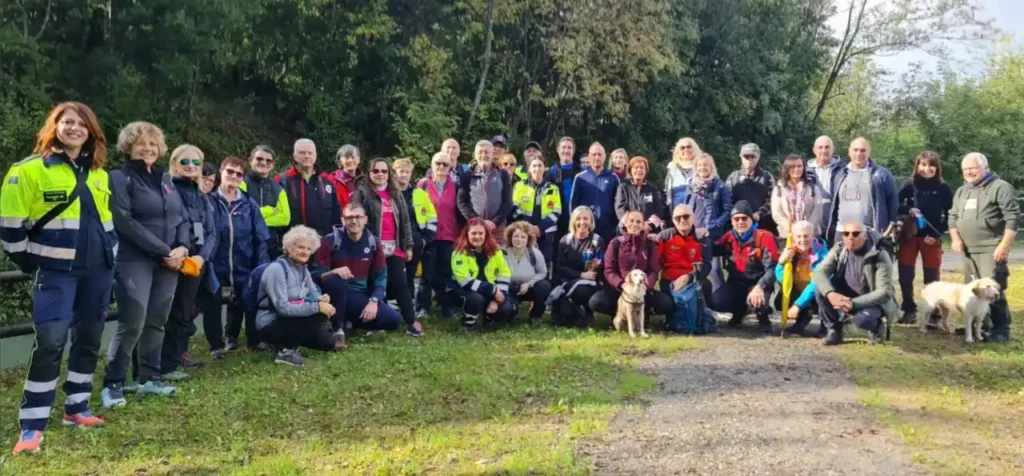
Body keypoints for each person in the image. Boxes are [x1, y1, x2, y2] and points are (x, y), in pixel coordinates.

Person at [2, 102, 118, 454]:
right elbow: (9, 230)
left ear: (91, 132)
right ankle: (33, 425)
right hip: (54, 274)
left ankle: (77, 407)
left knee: (88, 338)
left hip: (96, 272)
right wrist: (33, 263)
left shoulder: (98, 173)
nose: (74, 129)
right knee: (51, 341)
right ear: (54, 127)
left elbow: (106, 223)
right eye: (67, 122)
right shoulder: (28, 171)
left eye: (82, 124)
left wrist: (110, 254)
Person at [101, 122, 191, 408]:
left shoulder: (165, 179)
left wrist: (183, 248)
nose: (148, 149)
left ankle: (148, 378)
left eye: (153, 144)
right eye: (141, 143)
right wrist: (165, 250)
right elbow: (123, 222)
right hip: (135, 259)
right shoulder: (118, 178)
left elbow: (182, 218)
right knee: (133, 322)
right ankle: (113, 384)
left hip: (170, 261)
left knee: (157, 320)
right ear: (128, 147)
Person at [160, 144, 218, 381]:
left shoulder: (202, 197)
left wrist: (201, 256)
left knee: (185, 312)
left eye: (196, 163)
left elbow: (212, 232)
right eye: (186, 162)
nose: (192, 167)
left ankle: (174, 361)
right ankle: (158, 365)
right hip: (170, 260)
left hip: (195, 263)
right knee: (164, 313)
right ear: (174, 163)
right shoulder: (165, 190)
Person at [948, 152, 1019, 343]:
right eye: (965, 169)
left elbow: (1012, 218)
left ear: (985, 168)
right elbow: (952, 217)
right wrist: (955, 238)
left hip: (991, 248)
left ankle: (1000, 329)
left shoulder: (1000, 187)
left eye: (973, 168)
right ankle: (980, 325)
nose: (969, 172)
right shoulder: (963, 191)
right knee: (974, 291)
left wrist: (1004, 245)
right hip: (968, 251)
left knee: (993, 289)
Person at [205, 157, 271, 356]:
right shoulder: (208, 200)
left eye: (239, 174)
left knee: (245, 301)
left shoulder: (249, 204)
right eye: (230, 172)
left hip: (244, 264)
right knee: (213, 304)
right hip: (215, 264)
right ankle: (216, 346)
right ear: (221, 172)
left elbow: (261, 237)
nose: (234, 176)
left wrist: (262, 266)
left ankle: (249, 339)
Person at [350, 158, 421, 336]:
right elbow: (354, 219)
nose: (380, 174)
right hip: (372, 247)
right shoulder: (362, 193)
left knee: (399, 283)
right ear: (369, 173)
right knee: (374, 283)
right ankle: (377, 323)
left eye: (384, 171)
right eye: (376, 171)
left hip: (395, 247)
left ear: (389, 174)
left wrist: (409, 246)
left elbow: (405, 221)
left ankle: (412, 322)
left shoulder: (396, 193)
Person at [257, 225, 344, 367]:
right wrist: (317, 307)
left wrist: (321, 299)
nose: (305, 252)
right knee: (319, 313)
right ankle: (286, 353)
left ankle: (285, 343)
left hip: (292, 319)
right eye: (301, 247)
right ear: (289, 247)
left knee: (328, 343)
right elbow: (282, 308)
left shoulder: (302, 268)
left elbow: (313, 292)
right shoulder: (276, 269)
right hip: (270, 322)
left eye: (309, 249)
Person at [314, 203, 403, 336]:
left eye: (358, 217)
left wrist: (374, 301)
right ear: (342, 220)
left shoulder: (374, 242)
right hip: (334, 294)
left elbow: (380, 277)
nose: (354, 221)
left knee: (394, 320)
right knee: (337, 281)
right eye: (349, 218)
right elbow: (315, 275)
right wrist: (334, 271)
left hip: (361, 293)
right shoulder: (328, 241)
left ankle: (350, 322)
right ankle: (338, 326)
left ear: (365, 219)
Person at [813, 221, 896, 345]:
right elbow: (820, 272)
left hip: (871, 301)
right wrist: (830, 294)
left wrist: (853, 303)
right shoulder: (839, 249)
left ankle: (877, 328)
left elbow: (884, 292)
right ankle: (834, 330)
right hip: (845, 296)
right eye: (846, 233)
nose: (850, 237)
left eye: (856, 234)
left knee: (862, 320)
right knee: (820, 291)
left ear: (865, 236)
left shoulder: (880, 255)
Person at [896, 151, 953, 325]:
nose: (926, 169)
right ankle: (908, 309)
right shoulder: (909, 184)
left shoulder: (943, 188)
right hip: (910, 236)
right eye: (923, 165)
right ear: (917, 166)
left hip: (931, 237)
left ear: (937, 168)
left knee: (932, 276)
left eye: (931, 165)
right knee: (905, 275)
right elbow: (896, 205)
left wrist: (937, 233)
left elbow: (951, 214)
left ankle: (933, 312)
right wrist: (908, 210)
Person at [589, 211, 673, 327]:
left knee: (666, 303)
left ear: (643, 225)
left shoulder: (649, 245)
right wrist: (622, 284)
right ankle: (620, 314)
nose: (635, 224)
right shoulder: (615, 243)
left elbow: (654, 271)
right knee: (595, 301)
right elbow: (608, 270)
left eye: (638, 221)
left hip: (641, 291)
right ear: (625, 224)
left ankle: (642, 314)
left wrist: (646, 286)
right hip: (619, 291)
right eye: (631, 221)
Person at [709, 201, 778, 333]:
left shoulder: (765, 237)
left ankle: (763, 318)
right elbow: (713, 249)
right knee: (716, 301)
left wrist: (760, 286)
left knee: (758, 299)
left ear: (751, 219)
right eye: (736, 219)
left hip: (758, 282)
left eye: (744, 218)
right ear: (732, 221)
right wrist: (702, 237)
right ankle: (739, 313)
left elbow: (772, 269)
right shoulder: (729, 237)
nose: (740, 222)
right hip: (736, 282)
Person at [413, 152, 460, 318]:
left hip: (448, 235)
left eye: (445, 164)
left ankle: (445, 305)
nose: (441, 167)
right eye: (437, 163)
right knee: (427, 273)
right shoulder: (422, 185)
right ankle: (423, 306)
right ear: (432, 165)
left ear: (450, 167)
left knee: (446, 273)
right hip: (428, 236)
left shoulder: (456, 185)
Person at [824, 137, 899, 241]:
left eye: (863, 150)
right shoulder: (839, 173)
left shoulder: (881, 175)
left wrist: (890, 228)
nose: (859, 153)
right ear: (849, 151)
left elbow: (893, 202)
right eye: (855, 150)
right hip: (842, 231)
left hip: (870, 232)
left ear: (869, 152)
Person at [451, 218, 514, 330]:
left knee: (507, 307)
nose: (477, 236)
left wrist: (496, 299)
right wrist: (493, 290)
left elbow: (504, 273)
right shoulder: (459, 253)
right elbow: (465, 281)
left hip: (491, 290)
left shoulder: (496, 251)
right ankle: (468, 322)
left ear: (486, 234)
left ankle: (488, 320)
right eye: (474, 233)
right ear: (467, 234)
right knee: (476, 299)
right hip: (467, 290)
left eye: (481, 233)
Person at [275, 138, 347, 236]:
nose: (307, 156)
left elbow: (337, 213)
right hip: (294, 244)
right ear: (294, 155)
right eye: (302, 153)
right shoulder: (281, 181)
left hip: (324, 243)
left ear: (316, 155)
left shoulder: (329, 180)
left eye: (310, 153)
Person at [552, 207, 605, 327]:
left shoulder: (597, 241)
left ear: (591, 221)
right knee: (565, 317)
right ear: (573, 221)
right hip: (567, 282)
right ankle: (569, 309)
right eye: (578, 219)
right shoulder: (565, 240)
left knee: (582, 290)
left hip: (589, 284)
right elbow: (560, 267)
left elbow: (592, 272)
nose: (582, 222)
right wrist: (579, 275)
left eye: (586, 218)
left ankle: (587, 311)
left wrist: (584, 275)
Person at [774, 221, 828, 337]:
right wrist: (780, 263)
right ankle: (801, 321)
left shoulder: (823, 254)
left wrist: (797, 305)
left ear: (813, 237)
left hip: (818, 291)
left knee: (821, 292)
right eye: (799, 236)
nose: (803, 239)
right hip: (801, 290)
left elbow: (817, 283)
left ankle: (827, 326)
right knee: (779, 300)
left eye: (806, 236)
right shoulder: (791, 251)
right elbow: (782, 280)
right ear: (793, 238)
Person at [686, 153, 731, 289]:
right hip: (694, 234)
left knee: (715, 269)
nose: (702, 168)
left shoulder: (720, 186)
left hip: (714, 235)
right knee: (695, 269)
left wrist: (715, 225)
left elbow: (728, 210)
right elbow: (686, 209)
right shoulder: (691, 186)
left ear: (711, 167)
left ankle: (721, 300)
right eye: (699, 165)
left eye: (705, 165)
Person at [657, 204, 713, 304]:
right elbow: (654, 260)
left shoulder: (702, 238)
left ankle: (706, 316)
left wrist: (689, 277)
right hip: (670, 280)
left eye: (686, 216)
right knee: (668, 304)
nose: (682, 220)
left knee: (706, 285)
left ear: (693, 218)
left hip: (693, 278)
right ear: (673, 220)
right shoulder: (664, 237)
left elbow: (706, 266)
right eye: (678, 218)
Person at [457, 140, 513, 240]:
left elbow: (508, 201)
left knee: (497, 255)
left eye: (487, 152)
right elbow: (461, 202)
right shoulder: (467, 175)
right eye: (480, 152)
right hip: (475, 229)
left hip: (497, 229)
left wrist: (495, 222)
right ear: (475, 155)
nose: (483, 155)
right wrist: (476, 220)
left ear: (492, 154)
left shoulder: (502, 174)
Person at [241, 145, 290, 258]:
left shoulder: (278, 189)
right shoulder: (241, 184)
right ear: (250, 161)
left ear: (272, 165)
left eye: (268, 160)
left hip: (269, 246)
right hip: (244, 245)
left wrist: (257, 218)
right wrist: (268, 211)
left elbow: (285, 219)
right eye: (259, 159)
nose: (263, 163)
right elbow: (243, 214)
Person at [511, 155, 561, 263]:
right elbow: (514, 208)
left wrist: (539, 228)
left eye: (540, 165)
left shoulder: (553, 188)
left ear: (545, 168)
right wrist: (529, 228)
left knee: (544, 262)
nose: (537, 168)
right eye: (534, 166)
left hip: (546, 232)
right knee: (524, 261)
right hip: (524, 231)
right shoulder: (520, 186)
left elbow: (556, 212)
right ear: (529, 168)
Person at [570, 142, 620, 243]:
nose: (597, 157)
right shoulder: (580, 178)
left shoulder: (613, 178)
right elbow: (573, 205)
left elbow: (619, 203)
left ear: (605, 156)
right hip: (587, 230)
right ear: (589, 157)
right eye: (594, 154)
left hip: (609, 230)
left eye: (599, 154)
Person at [503, 222, 552, 325]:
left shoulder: (535, 253)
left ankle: (535, 315)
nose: (519, 240)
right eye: (516, 236)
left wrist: (529, 283)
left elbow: (542, 273)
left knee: (544, 286)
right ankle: (512, 312)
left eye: (523, 237)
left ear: (528, 239)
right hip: (510, 289)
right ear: (510, 237)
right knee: (507, 315)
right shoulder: (503, 253)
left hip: (529, 288)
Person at [392, 158, 423, 315]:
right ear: (394, 173)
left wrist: (424, 238)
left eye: (407, 172)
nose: (404, 175)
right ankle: (393, 307)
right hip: (393, 239)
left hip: (414, 239)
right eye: (401, 171)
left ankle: (409, 309)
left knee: (410, 275)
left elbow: (427, 217)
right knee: (396, 275)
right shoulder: (389, 192)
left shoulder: (417, 193)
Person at [771, 154, 823, 243]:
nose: (797, 169)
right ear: (787, 169)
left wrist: (806, 229)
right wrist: (793, 229)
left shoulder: (813, 188)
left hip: (810, 237)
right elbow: (777, 213)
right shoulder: (779, 189)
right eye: (793, 167)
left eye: (799, 166)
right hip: (787, 236)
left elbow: (818, 212)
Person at [725, 143, 775, 233]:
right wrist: (739, 215)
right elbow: (728, 201)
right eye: (746, 156)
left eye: (753, 156)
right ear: (741, 158)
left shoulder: (767, 177)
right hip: (739, 225)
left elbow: (771, 201)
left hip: (762, 225)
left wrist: (759, 214)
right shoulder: (733, 177)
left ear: (758, 157)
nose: (750, 159)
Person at [614, 156, 665, 235]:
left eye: (642, 168)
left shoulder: (652, 188)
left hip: (648, 231)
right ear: (630, 170)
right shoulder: (623, 187)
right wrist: (635, 224)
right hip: (628, 230)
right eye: (636, 167)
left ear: (646, 171)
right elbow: (620, 209)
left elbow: (659, 210)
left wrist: (647, 225)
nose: (639, 170)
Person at [806, 136, 843, 241]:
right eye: (820, 147)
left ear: (833, 149)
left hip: (837, 225)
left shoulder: (844, 170)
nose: (824, 150)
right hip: (813, 225)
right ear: (814, 150)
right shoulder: (804, 172)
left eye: (827, 147)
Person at [550, 136, 579, 238]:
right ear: (558, 150)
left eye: (569, 148)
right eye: (563, 147)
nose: (566, 150)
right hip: (557, 220)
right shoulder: (550, 172)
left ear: (573, 151)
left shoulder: (581, 171)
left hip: (578, 220)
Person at [665, 137, 700, 212]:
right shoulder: (672, 168)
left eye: (689, 147)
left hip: (698, 211)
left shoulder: (702, 165)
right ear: (678, 151)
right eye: (682, 148)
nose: (686, 149)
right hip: (678, 212)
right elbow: (667, 193)